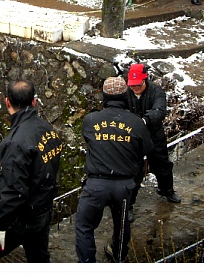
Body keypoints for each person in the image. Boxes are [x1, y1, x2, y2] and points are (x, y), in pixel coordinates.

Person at [0, 79, 62, 263]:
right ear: (34, 101)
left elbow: (14, 191)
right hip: (44, 208)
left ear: (7, 102)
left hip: (23, 217)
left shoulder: (15, 143)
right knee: (39, 259)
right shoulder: (47, 129)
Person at [75, 76, 154, 263]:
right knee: (121, 223)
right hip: (124, 184)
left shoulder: (90, 120)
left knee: (84, 226)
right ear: (125, 96)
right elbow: (147, 148)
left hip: (96, 184)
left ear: (104, 97)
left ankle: (87, 264)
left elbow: (89, 139)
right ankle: (118, 256)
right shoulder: (136, 122)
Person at [126, 63, 181, 212]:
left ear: (145, 80)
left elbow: (159, 110)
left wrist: (145, 120)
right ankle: (128, 205)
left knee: (162, 164)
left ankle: (166, 190)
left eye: (138, 85)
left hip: (153, 134)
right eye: (132, 85)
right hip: (133, 137)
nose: (135, 88)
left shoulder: (156, 92)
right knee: (133, 170)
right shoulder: (126, 93)